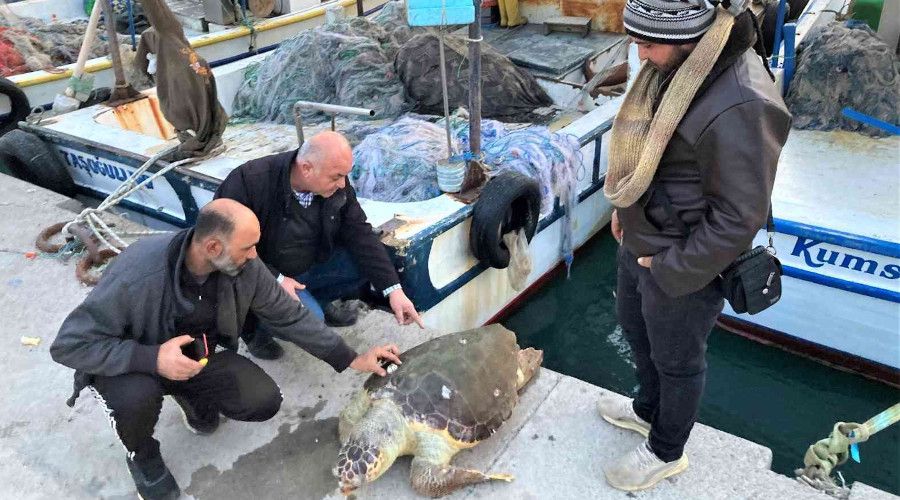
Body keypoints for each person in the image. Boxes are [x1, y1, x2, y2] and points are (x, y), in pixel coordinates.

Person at [50, 199, 402, 500]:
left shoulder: (244, 267)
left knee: (262, 400)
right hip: (132, 365)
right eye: (247, 248)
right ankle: (141, 455)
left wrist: (351, 357)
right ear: (214, 248)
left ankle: (190, 395)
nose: (254, 256)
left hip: (196, 358)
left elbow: (289, 314)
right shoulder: (137, 272)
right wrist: (153, 358)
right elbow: (69, 344)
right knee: (135, 399)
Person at [598, 0, 791, 491]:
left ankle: (666, 450)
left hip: (682, 260)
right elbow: (649, 152)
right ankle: (646, 410)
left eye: (648, 43)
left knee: (678, 361)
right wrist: (623, 213)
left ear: (691, 38)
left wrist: (668, 268)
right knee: (634, 330)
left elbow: (738, 218)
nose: (639, 55)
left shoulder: (744, 102)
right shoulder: (678, 65)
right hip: (641, 236)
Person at [215, 131, 423, 360]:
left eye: (345, 176)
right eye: (336, 177)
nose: (343, 184)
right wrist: (276, 279)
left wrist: (393, 290)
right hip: (263, 274)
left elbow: (360, 233)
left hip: (309, 264)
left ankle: (320, 301)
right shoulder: (248, 181)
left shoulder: (337, 186)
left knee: (370, 260)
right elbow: (224, 246)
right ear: (306, 168)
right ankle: (254, 330)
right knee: (311, 321)